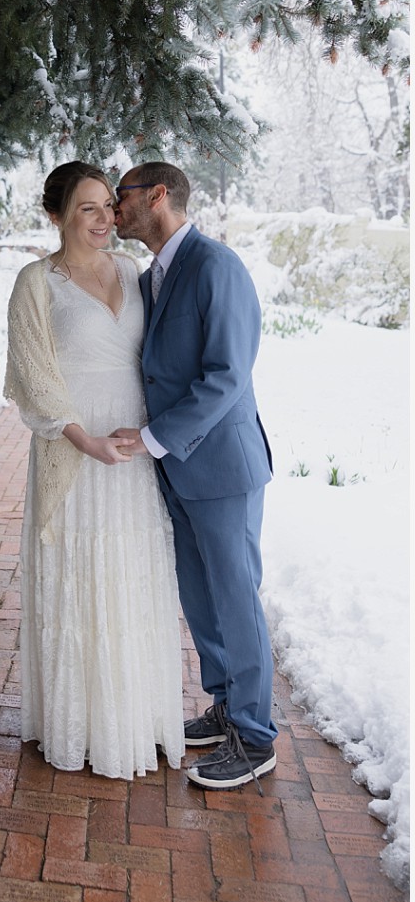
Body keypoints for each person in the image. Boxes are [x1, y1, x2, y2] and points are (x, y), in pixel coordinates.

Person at [4, 161, 185, 778]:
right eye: (89, 208)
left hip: (132, 454)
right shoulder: (36, 282)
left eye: (110, 205)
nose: (107, 218)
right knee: (80, 578)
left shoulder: (135, 273)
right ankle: (79, 725)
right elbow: (32, 378)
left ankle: (137, 718)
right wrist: (86, 441)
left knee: (132, 576)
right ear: (57, 216)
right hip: (75, 455)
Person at [112, 161, 277, 792]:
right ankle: (225, 705)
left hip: (223, 466)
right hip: (177, 470)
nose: (115, 209)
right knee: (201, 596)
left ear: (157, 196)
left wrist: (156, 438)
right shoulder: (155, 275)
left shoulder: (216, 266)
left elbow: (227, 375)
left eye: (121, 196)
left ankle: (256, 736)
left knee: (237, 598)